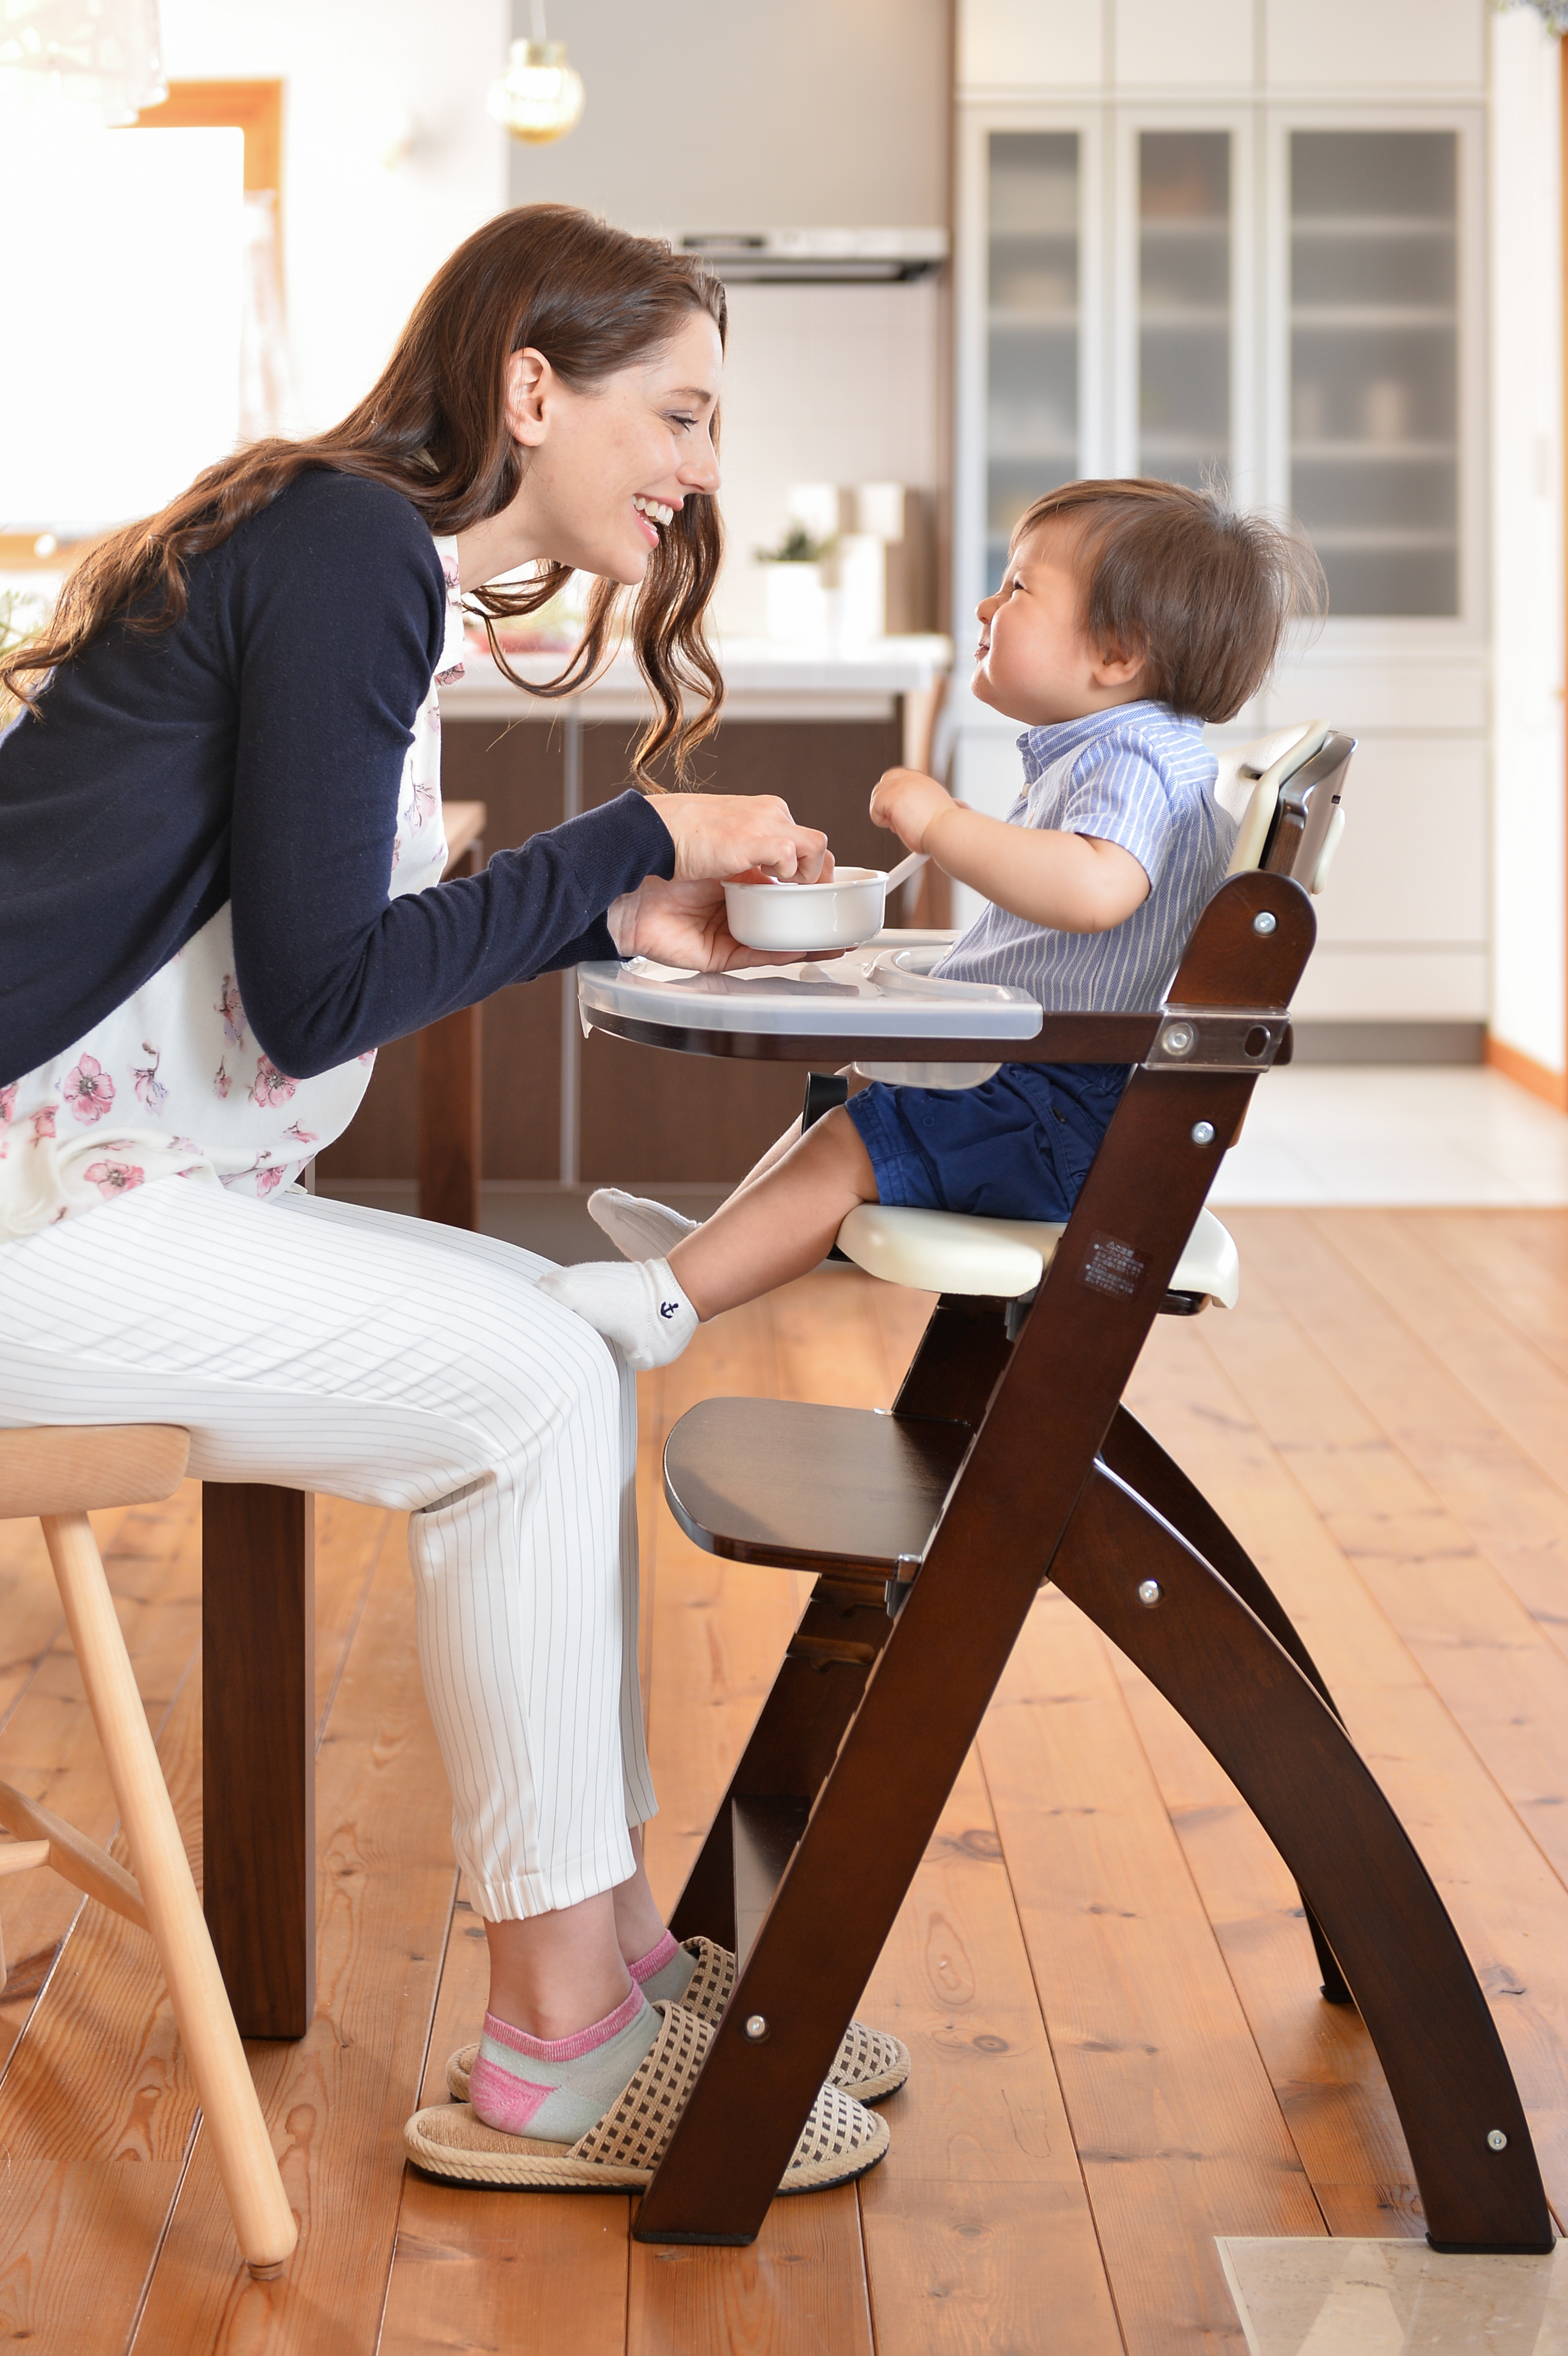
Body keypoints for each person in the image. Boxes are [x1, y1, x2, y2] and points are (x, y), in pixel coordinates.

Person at [0, 204, 900, 2195]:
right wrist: (628, 835)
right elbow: (322, 990)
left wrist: (608, 905)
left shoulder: (347, 553)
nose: (697, 470)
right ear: (528, 389)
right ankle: (558, 2035)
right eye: (675, 410)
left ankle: (599, 1962)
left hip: (92, 1180)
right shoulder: (341, 556)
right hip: (35, 1217)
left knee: (553, 1344)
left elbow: (291, 956)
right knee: (530, 1370)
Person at [541, 479, 1321, 1366]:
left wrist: (944, 824)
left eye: (1020, 588)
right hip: (1057, 1096)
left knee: (850, 1141)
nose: (990, 604)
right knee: (853, 1109)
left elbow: (1098, 889)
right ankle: (709, 1253)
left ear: (1117, 651)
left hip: (1065, 1119)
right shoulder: (1124, 748)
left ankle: (671, 1300)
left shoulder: (1137, 754)